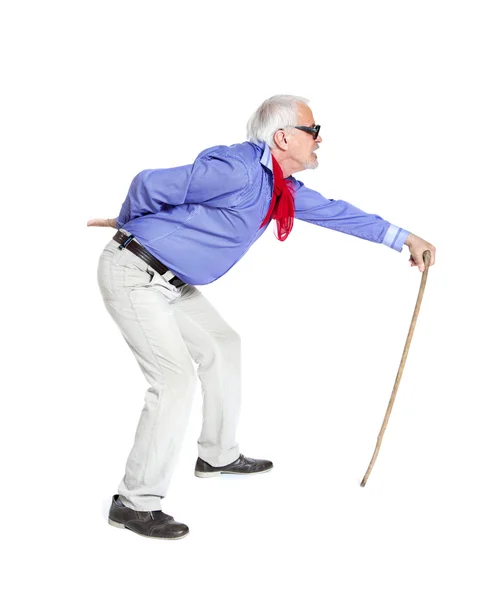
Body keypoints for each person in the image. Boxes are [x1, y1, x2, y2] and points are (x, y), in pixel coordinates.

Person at [88, 94, 436, 540]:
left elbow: (337, 213)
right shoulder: (236, 169)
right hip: (134, 270)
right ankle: (134, 503)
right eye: (313, 131)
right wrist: (128, 223)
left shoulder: (279, 189)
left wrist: (405, 238)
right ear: (283, 136)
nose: (319, 139)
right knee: (174, 380)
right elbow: (148, 183)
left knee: (223, 345)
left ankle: (217, 454)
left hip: (172, 282)